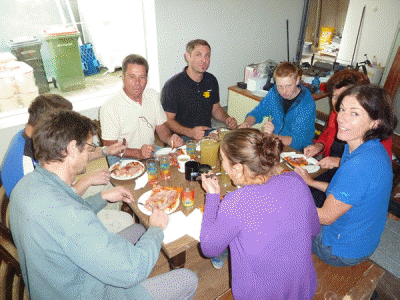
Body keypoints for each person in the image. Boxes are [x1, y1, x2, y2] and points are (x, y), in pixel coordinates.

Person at [9, 109, 198, 299]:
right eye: (90, 147)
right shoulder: (71, 219)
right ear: (72, 148)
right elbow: (132, 270)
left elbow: (65, 216)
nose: (90, 153)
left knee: (140, 231)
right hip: (88, 292)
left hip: (54, 280)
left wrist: (103, 197)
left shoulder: (26, 185)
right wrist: (157, 229)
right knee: (188, 278)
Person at [200, 128, 320, 299]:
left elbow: (208, 248)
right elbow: (314, 229)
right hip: (303, 290)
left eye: (223, 160)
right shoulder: (295, 180)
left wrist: (212, 198)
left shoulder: (235, 202)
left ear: (239, 168)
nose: (222, 166)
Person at [295, 85, 395, 267]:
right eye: (342, 109)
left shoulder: (359, 165)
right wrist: (311, 182)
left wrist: (281, 204)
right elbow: (344, 195)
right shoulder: (369, 147)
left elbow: (326, 216)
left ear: (376, 122)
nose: (341, 118)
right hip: (362, 240)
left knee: (279, 221)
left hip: (341, 251)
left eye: (354, 113)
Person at [1, 94, 125, 198]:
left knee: (110, 184)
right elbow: (58, 203)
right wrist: (88, 180)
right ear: (49, 124)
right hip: (52, 208)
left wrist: (105, 150)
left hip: (57, 193)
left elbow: (70, 156)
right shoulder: (26, 166)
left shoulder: (29, 137)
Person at [302, 69, 392, 207]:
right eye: (334, 96)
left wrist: (339, 161)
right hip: (330, 170)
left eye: (343, 96)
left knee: (306, 203)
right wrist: (319, 146)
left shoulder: (377, 130)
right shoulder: (337, 114)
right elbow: (326, 134)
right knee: (298, 188)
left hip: (352, 179)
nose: (337, 103)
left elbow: (374, 170)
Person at [100, 54, 183, 164]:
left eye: (142, 77)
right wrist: (138, 153)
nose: (137, 83)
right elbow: (110, 146)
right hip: (120, 157)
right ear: (123, 77)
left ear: (146, 78)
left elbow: (161, 128)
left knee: (180, 163)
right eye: (132, 77)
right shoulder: (109, 107)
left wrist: (169, 139)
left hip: (150, 152)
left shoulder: (152, 95)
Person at [161, 39, 237, 141]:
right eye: (198, 55)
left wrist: (227, 119)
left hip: (208, 133)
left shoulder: (211, 80)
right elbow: (167, 120)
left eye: (207, 55)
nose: (203, 60)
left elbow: (216, 109)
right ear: (188, 57)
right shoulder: (173, 85)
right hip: (183, 137)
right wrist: (191, 133)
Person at [239, 62, 316, 151]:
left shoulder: (307, 104)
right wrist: (247, 124)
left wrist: (270, 136)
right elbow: (258, 112)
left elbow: (296, 141)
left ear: (297, 80)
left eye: (288, 86)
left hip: (300, 150)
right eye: (280, 86)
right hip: (275, 142)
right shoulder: (274, 93)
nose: (284, 91)